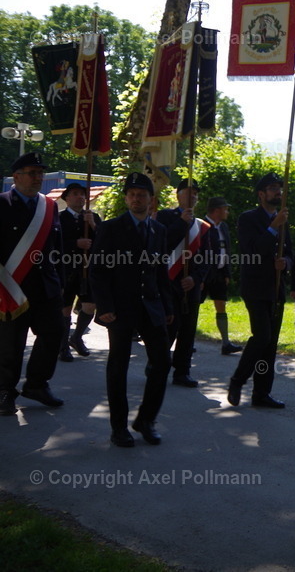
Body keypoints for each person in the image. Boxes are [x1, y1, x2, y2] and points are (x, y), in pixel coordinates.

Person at [90, 172, 174, 447]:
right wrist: (104, 306)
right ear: (126, 198)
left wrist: (167, 305)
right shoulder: (112, 228)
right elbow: (98, 270)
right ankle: (119, 427)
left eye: (142, 195)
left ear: (152, 200)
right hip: (120, 308)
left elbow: (160, 271)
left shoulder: (159, 231)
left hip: (150, 306)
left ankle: (146, 420)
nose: (137, 199)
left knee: (162, 363)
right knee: (119, 367)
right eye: (132, 194)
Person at [0, 152, 65, 415]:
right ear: (16, 176)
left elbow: (56, 249)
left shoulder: (49, 207)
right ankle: (5, 391)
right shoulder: (1, 204)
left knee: (54, 333)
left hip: (45, 286)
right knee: (10, 344)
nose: (38, 178)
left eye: (40, 173)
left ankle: (37, 384)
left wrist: (61, 283)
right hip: (10, 287)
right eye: (32, 173)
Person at [228, 173, 292, 409]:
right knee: (262, 336)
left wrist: (285, 263)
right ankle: (238, 380)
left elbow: (290, 253)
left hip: (276, 289)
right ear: (261, 194)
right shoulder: (248, 219)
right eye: (273, 188)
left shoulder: (283, 220)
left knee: (271, 342)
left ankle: (262, 393)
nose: (278, 192)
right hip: (255, 287)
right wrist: (273, 228)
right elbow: (252, 250)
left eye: (280, 188)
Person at [156, 178, 211, 387]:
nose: (193, 196)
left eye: (195, 193)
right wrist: (182, 223)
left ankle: (182, 371)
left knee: (188, 329)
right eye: (188, 192)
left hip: (190, 284)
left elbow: (207, 257)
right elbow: (163, 243)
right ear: (178, 195)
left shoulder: (203, 226)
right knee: (169, 326)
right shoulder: (164, 217)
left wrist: (195, 278)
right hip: (169, 281)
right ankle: (158, 364)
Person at [57, 181, 101, 361]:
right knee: (65, 309)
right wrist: (76, 244)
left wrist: (93, 225)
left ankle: (77, 337)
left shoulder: (92, 217)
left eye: (82, 194)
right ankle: (62, 346)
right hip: (68, 270)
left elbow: (104, 242)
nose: (80, 197)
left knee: (90, 306)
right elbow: (55, 244)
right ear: (67, 198)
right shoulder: (59, 218)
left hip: (87, 270)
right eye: (75, 194)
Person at [201, 196, 240, 355]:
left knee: (221, 305)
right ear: (216, 210)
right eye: (225, 208)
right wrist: (200, 277)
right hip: (204, 274)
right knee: (192, 307)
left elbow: (227, 251)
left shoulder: (223, 227)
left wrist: (226, 272)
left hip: (218, 273)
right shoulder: (201, 226)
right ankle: (185, 339)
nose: (227, 212)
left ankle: (225, 342)